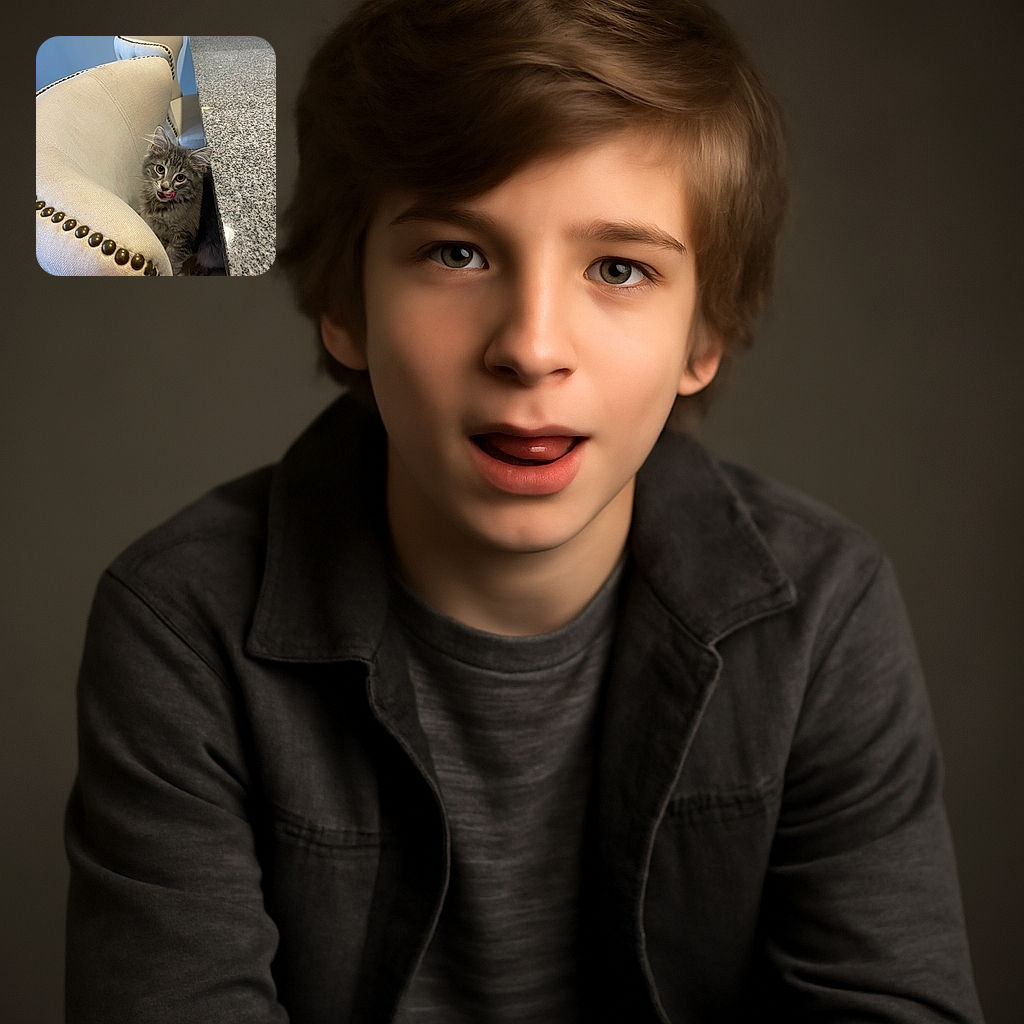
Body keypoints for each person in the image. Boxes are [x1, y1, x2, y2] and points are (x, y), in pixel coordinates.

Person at [64, 1, 984, 1021]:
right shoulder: (178, 621)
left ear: (703, 335)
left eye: (619, 268)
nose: (531, 345)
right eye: (457, 252)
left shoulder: (824, 609)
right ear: (345, 305)